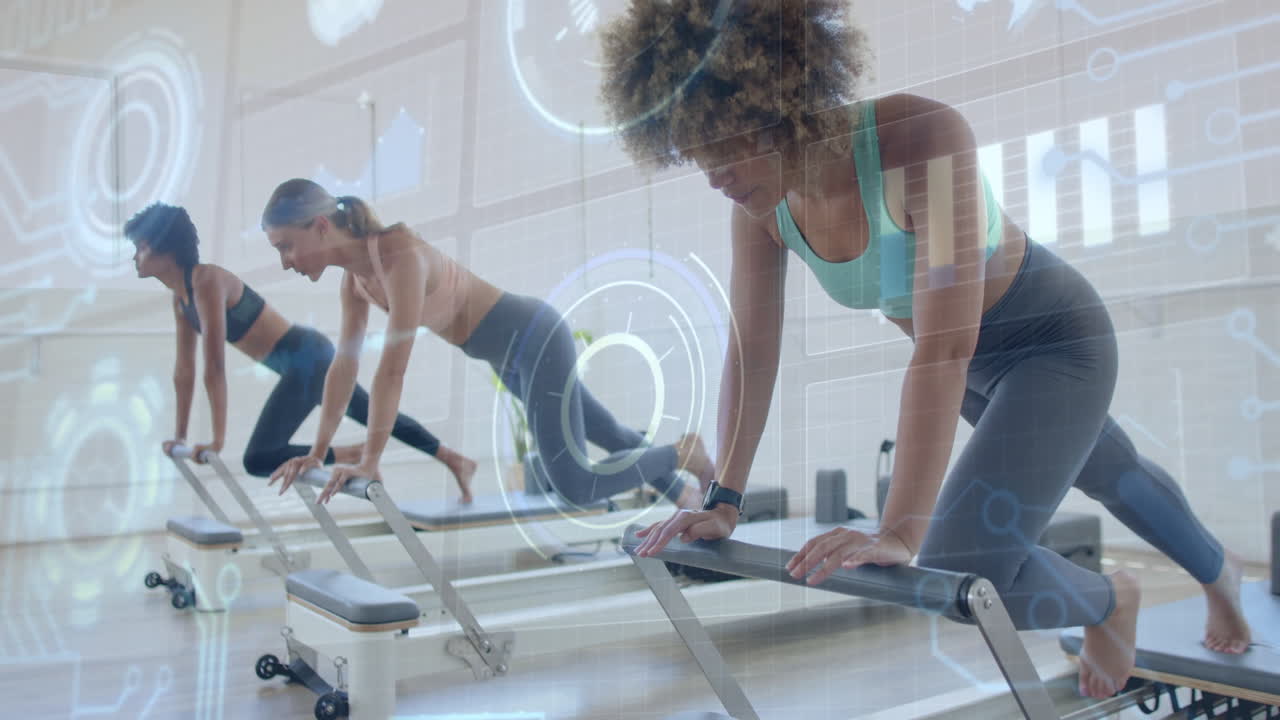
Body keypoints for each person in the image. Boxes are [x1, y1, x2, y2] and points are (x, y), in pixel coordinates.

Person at [597, 0, 1252, 699]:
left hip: (1056, 344)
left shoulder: (920, 140)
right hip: (977, 371)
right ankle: (1210, 575)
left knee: (964, 558)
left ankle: (1117, 597)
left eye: (722, 145)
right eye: (694, 153)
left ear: (778, 101)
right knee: (1113, 471)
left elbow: (943, 348)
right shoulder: (761, 210)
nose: (712, 175)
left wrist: (901, 528)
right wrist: (724, 498)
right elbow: (752, 351)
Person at [258, 180, 714, 511]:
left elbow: (392, 370)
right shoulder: (355, 283)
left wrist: (369, 461)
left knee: (575, 485)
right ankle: (688, 495)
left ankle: (682, 453)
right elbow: (344, 368)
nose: (285, 262)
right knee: (608, 432)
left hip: (534, 338)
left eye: (286, 246)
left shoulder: (397, 254)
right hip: (509, 359)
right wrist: (318, 450)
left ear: (321, 226)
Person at [125, 202, 476, 502]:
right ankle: (453, 460)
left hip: (305, 357)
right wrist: (180, 436)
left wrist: (216, 441)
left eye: (141, 247)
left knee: (259, 457)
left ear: (166, 249)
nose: (134, 257)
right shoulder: (181, 300)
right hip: (299, 362)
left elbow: (214, 366)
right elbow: (184, 372)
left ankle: (357, 453)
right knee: (371, 413)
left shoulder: (206, 281)